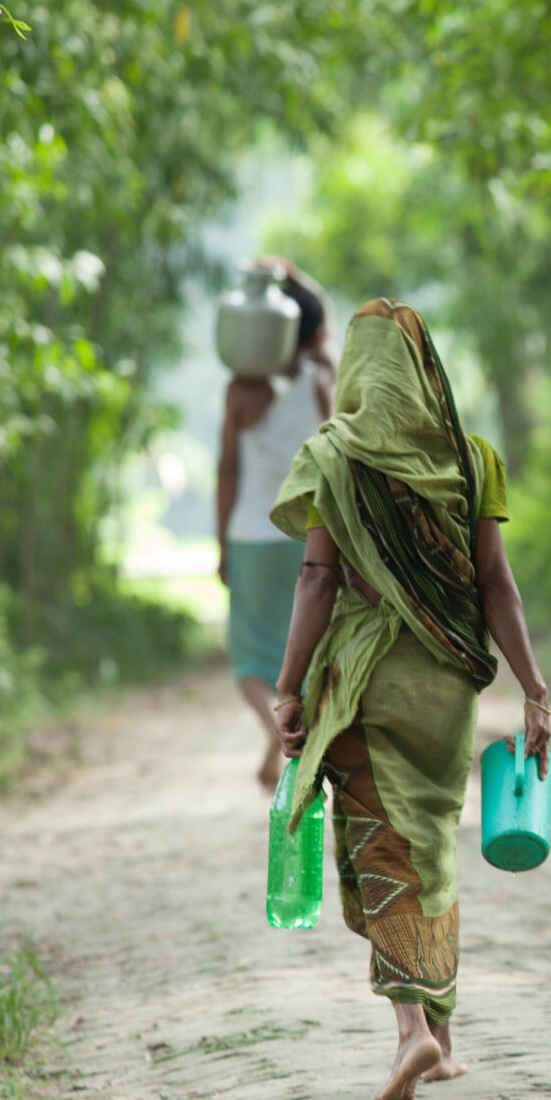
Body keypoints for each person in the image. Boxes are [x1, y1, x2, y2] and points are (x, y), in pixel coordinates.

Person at [268, 298, 551, 1100]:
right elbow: (498, 584)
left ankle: (411, 1035)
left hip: (365, 676)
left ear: (358, 372)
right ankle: (449, 1037)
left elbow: (319, 578)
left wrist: (288, 688)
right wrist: (533, 686)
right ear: (426, 372)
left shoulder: (336, 458)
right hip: (446, 681)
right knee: (430, 841)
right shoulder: (471, 458)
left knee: (380, 847)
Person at [217, 260, 336, 789]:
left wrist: (221, 543)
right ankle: (291, 727)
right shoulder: (323, 380)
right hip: (304, 534)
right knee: (303, 646)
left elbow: (227, 469)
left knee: (248, 653)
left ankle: (271, 720)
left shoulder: (241, 391)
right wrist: (300, 282)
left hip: (249, 533)